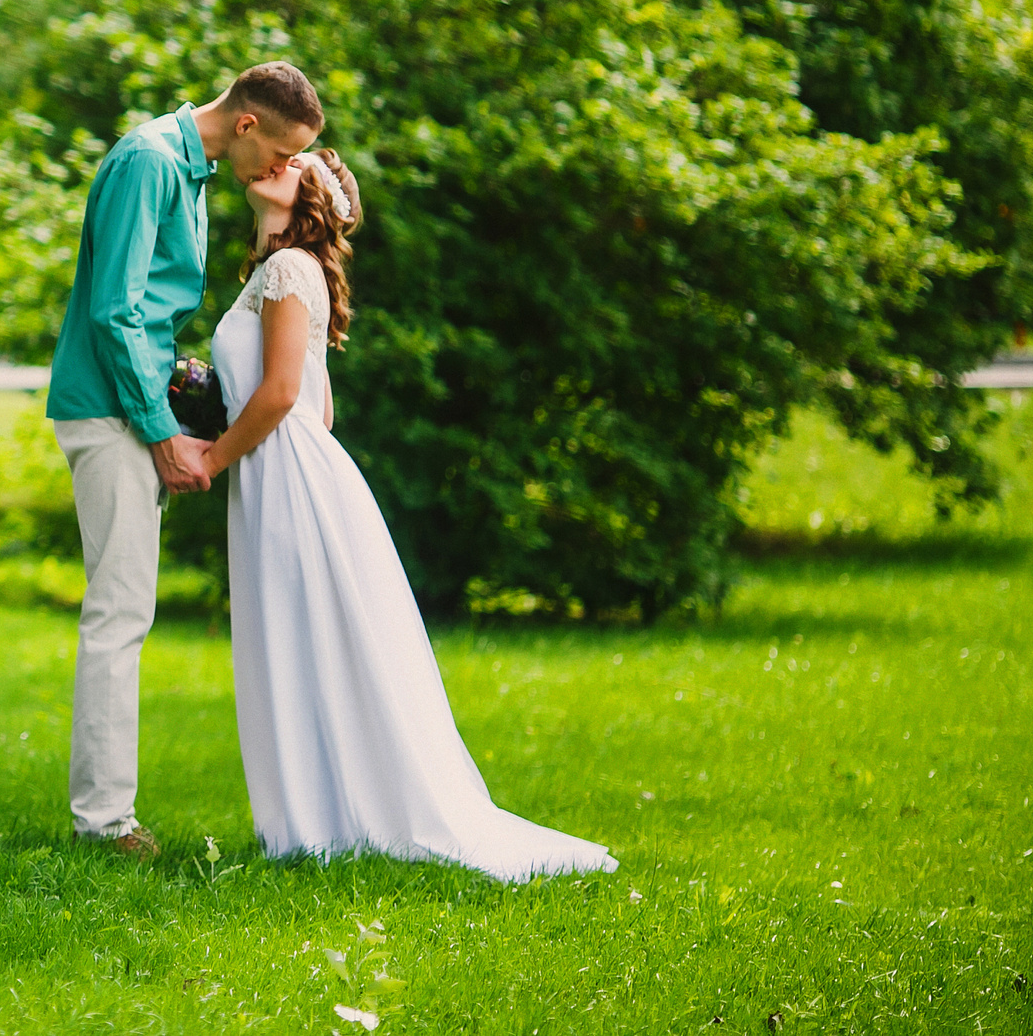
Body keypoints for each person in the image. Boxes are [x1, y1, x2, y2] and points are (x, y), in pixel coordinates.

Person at [202, 149, 617, 880]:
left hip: (287, 475)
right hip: (288, 469)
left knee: (303, 638)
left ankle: (319, 824)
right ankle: (314, 819)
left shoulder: (291, 267)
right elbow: (320, 407)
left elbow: (282, 395)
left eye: (292, 163)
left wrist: (211, 459)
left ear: (310, 199)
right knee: (301, 641)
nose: (272, 163)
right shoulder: (279, 270)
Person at [44, 62, 323, 857]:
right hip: (110, 409)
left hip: (133, 405)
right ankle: (104, 823)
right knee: (119, 611)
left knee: (127, 607)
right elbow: (117, 310)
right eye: (280, 153)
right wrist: (162, 429)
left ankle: (107, 815)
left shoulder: (191, 174)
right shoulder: (150, 161)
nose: (280, 170)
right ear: (246, 124)